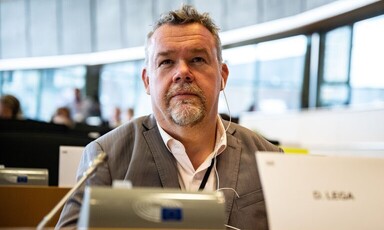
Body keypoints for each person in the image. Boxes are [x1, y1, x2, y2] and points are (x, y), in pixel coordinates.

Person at [56, 5, 282, 229]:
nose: (182, 72)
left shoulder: (269, 159)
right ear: (147, 81)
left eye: (197, 59)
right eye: (166, 62)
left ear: (223, 76)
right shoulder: (105, 158)